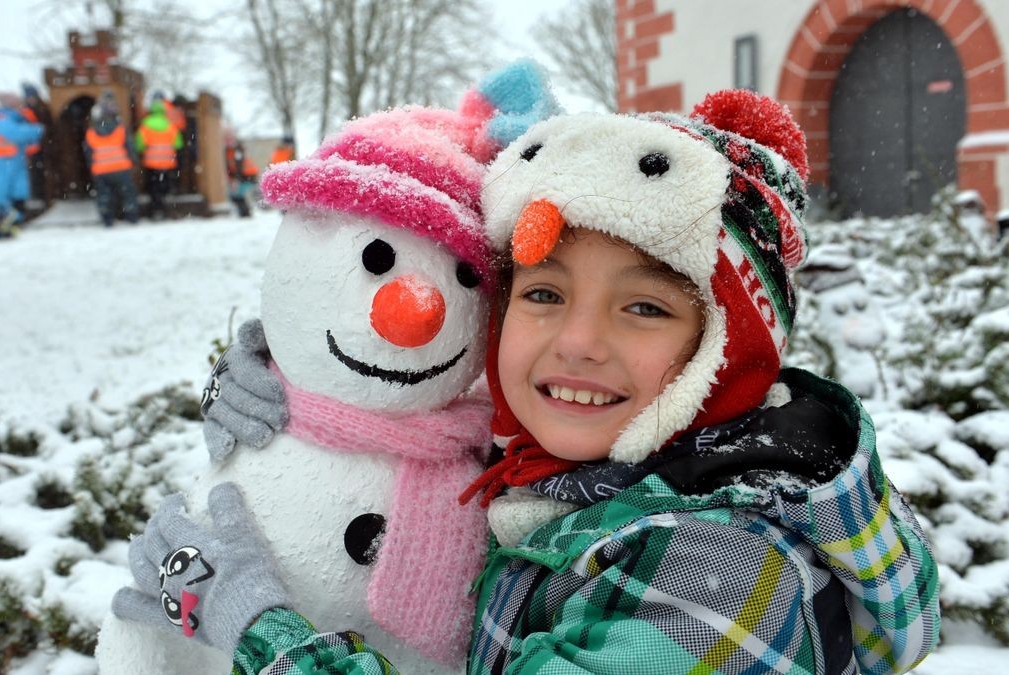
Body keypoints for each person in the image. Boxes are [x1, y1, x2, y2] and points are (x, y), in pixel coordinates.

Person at [115, 90, 942, 674]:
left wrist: (258, 628)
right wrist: (296, 377)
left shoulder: (718, 570)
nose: (575, 343)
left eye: (645, 307)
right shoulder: (593, 476)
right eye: (542, 294)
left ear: (726, 354)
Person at [0, 91, 44, 225]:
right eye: (19, 105)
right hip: (4, 159)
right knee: (3, 191)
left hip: (16, 158)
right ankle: (4, 219)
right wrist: (36, 130)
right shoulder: (1, 119)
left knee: (19, 190)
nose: (21, 107)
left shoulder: (18, 118)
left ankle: (17, 219)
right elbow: (16, 133)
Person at [84, 102, 139, 227]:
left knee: (104, 195)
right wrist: (134, 161)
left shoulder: (91, 133)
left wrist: (91, 166)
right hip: (121, 167)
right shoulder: (120, 130)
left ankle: (107, 219)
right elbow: (130, 148)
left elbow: (88, 153)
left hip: (100, 169)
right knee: (127, 194)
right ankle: (131, 217)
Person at [135, 93, 183, 219]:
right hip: (168, 162)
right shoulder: (170, 125)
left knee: (153, 187)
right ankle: (165, 208)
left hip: (151, 162)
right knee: (164, 185)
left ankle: (155, 209)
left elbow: (139, 144)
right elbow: (178, 143)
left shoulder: (145, 124)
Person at [225, 140, 259, 218]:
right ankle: (245, 212)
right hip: (247, 175)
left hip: (247, 176)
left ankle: (245, 212)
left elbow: (238, 167)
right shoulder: (235, 151)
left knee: (237, 196)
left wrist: (236, 178)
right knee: (238, 196)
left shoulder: (236, 152)